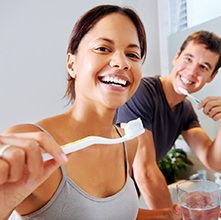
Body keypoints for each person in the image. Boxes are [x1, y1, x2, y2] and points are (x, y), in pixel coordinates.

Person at [0, 5, 186, 220]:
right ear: (72, 64)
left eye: (132, 54)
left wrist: (171, 216)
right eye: (103, 49)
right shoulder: (30, 144)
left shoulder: (127, 143)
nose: (121, 62)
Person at [115, 30, 221, 209]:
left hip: (127, 195)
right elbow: (145, 172)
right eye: (188, 58)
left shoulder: (185, 110)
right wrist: (171, 215)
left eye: (204, 67)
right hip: (101, 193)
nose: (192, 71)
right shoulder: (142, 93)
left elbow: (213, 161)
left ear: (212, 76)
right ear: (176, 57)